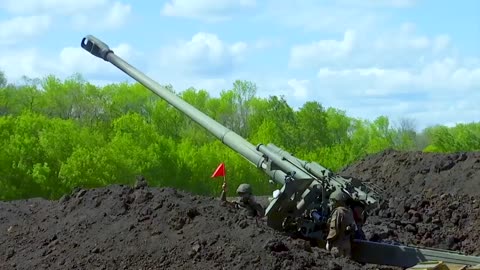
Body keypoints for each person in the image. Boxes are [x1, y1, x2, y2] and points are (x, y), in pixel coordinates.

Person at [326, 189, 357, 258]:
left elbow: (334, 229)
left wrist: (328, 241)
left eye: (333, 201)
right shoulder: (349, 212)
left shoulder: (338, 212)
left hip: (338, 245)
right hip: (347, 245)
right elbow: (353, 228)